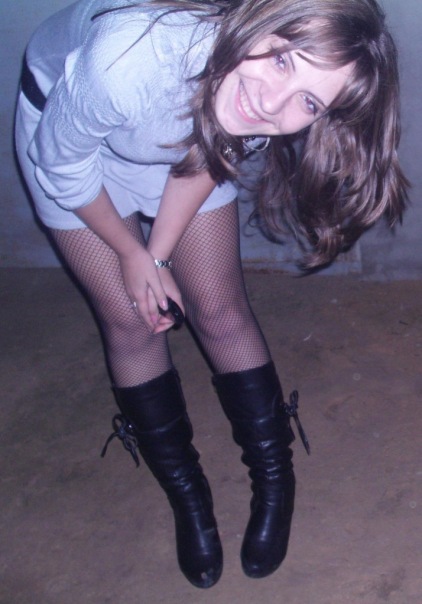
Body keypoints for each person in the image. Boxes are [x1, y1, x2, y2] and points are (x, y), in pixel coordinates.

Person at [15, 0, 408, 589]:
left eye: (309, 102)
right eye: (283, 60)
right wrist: (131, 255)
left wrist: (158, 254)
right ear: (259, 20)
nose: (273, 104)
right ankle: (187, 494)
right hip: (72, 139)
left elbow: (208, 157)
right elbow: (63, 165)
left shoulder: (252, 99)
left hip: (185, 131)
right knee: (131, 320)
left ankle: (275, 479)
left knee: (221, 308)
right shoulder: (130, 55)